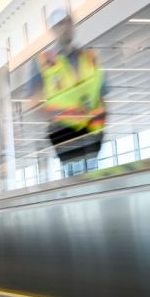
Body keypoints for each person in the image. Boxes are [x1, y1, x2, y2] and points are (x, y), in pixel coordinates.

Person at [28, 9, 108, 176]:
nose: (64, 27)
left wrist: (100, 124)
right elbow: (34, 104)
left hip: (93, 131)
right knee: (75, 177)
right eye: (59, 24)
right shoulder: (43, 62)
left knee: (93, 176)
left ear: (73, 25)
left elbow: (102, 94)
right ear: (53, 30)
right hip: (64, 132)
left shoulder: (90, 57)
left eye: (67, 22)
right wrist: (58, 117)